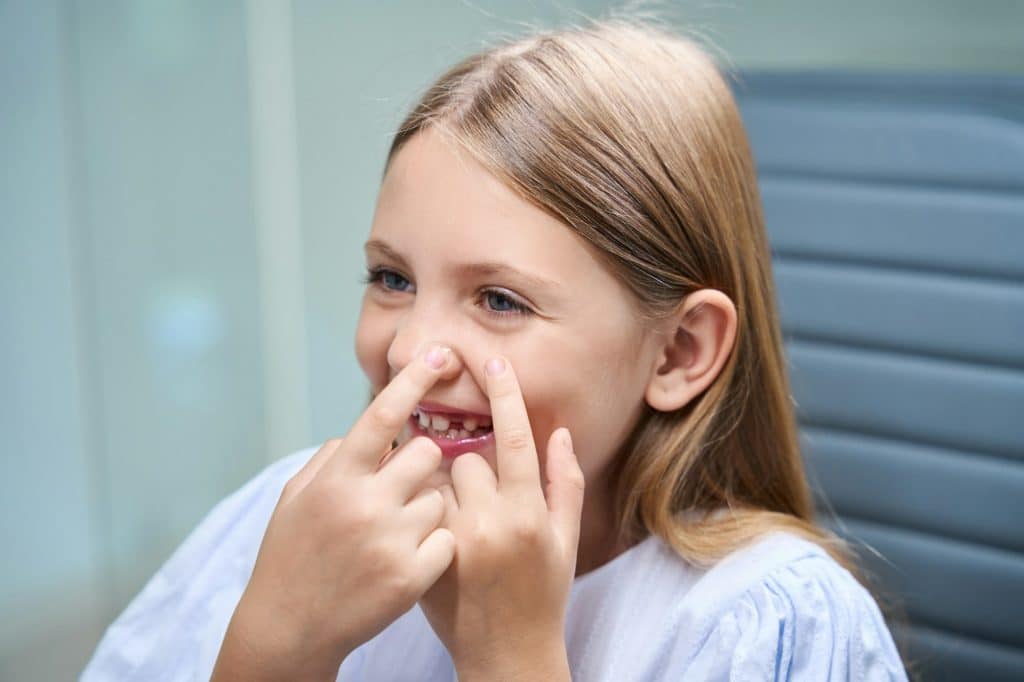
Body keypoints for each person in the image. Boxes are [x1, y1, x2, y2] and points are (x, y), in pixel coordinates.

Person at [82, 18, 907, 681]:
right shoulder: (283, 524)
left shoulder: (766, 626)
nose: (410, 349)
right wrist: (275, 649)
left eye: (500, 299)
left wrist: (510, 657)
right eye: (391, 278)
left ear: (678, 353)